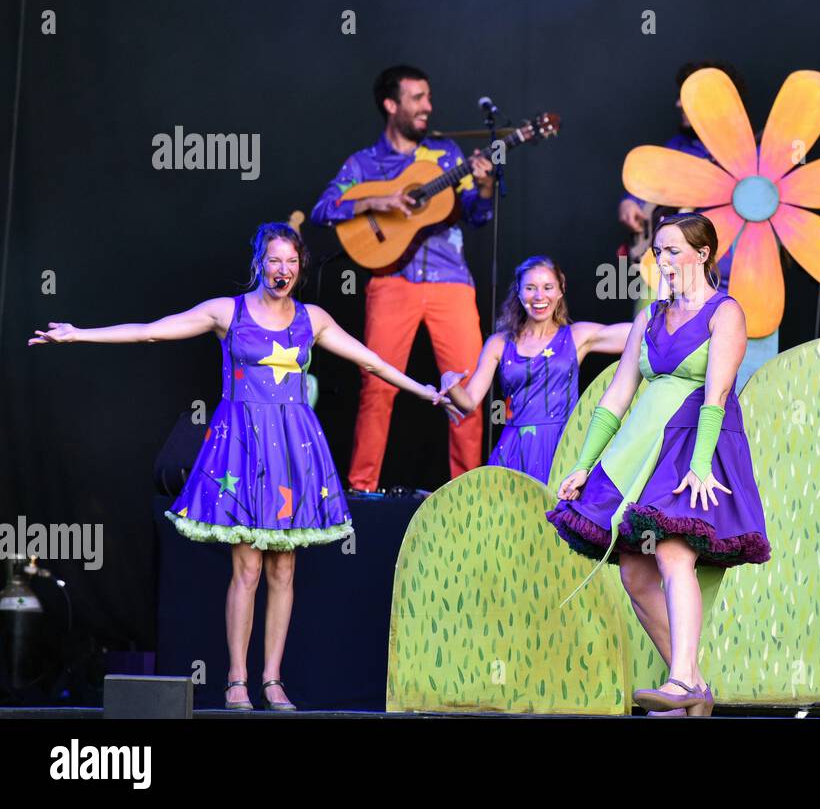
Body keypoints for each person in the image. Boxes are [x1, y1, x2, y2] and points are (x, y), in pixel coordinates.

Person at [28, 223, 456, 712]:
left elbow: (372, 362)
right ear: (259, 262)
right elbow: (151, 332)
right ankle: (236, 680)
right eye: (275, 260)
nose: (284, 270)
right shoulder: (226, 312)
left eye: (292, 262)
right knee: (247, 566)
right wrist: (78, 335)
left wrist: (424, 391)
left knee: (284, 569)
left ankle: (272, 680)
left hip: (293, 453)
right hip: (244, 450)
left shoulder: (311, 318)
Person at [547, 213, 770, 718]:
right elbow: (618, 394)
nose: (663, 260)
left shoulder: (724, 313)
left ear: (703, 253)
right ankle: (693, 686)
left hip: (697, 444)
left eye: (672, 251)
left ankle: (679, 681)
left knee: (672, 552)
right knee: (634, 571)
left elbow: (716, 396)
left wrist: (698, 465)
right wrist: (585, 465)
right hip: (643, 446)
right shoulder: (649, 317)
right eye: (659, 252)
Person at [311, 64, 494, 491]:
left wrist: (483, 186)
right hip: (391, 281)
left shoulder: (448, 155)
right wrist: (381, 199)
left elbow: (478, 216)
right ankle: (362, 490)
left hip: (452, 282)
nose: (428, 106)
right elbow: (323, 209)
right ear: (391, 104)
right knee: (377, 388)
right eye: (417, 98)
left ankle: (467, 498)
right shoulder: (365, 162)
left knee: (466, 394)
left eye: (429, 97)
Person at [438, 256, 631, 483]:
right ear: (519, 292)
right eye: (530, 288)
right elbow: (469, 402)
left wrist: (675, 301)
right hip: (513, 449)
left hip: (562, 447)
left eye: (548, 287)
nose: (539, 296)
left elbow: (638, 332)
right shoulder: (499, 343)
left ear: (560, 290)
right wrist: (450, 382)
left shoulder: (577, 336)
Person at [616, 61, 744, 301]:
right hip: (672, 275)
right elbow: (648, 181)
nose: (678, 104)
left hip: (729, 276)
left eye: (686, 96)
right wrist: (629, 202)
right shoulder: (679, 146)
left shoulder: (751, 152)